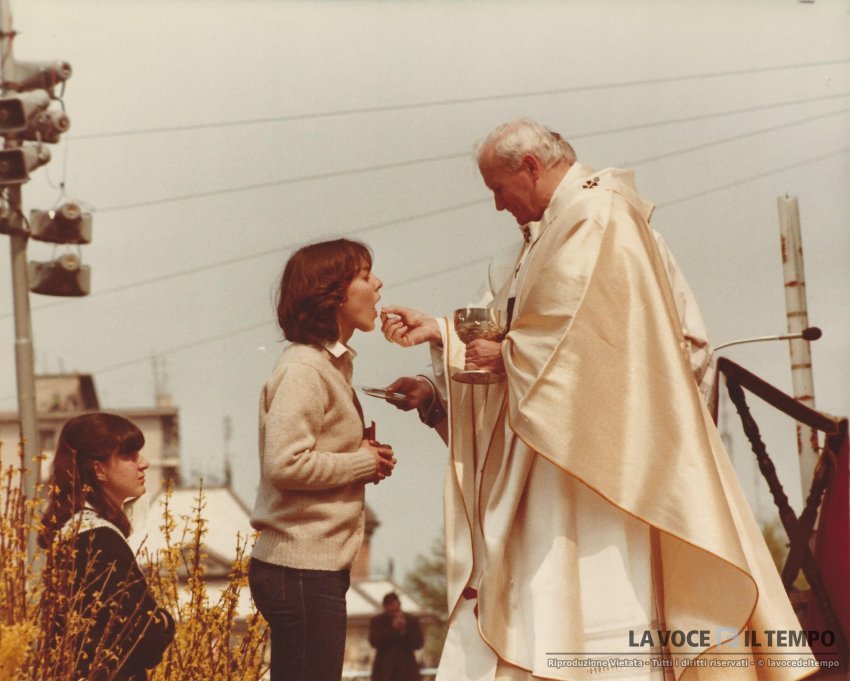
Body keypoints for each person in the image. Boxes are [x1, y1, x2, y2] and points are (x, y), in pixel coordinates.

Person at [381, 119, 814, 680]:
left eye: (498, 189)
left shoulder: (597, 216)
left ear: (529, 167)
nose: (497, 205)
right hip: (556, 450)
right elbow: (520, 324)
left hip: (603, 458)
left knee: (601, 601)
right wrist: (442, 344)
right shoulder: (550, 232)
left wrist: (508, 354)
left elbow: (588, 336)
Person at [248, 238, 397, 681]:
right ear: (333, 294)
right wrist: (361, 463)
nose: (378, 284)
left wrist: (365, 458)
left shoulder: (327, 365)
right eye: (365, 276)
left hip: (308, 567)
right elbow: (285, 464)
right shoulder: (305, 369)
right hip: (299, 568)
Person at [38, 412, 175, 681]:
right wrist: (166, 621)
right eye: (129, 455)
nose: (144, 463)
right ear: (98, 469)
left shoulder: (73, 533)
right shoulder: (98, 540)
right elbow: (148, 637)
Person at [369, 592, 424, 681]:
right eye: (390, 607)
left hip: (407, 670)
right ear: (385, 607)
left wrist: (403, 631)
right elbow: (374, 641)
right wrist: (392, 629)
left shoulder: (411, 620)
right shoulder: (377, 621)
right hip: (384, 671)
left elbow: (419, 643)